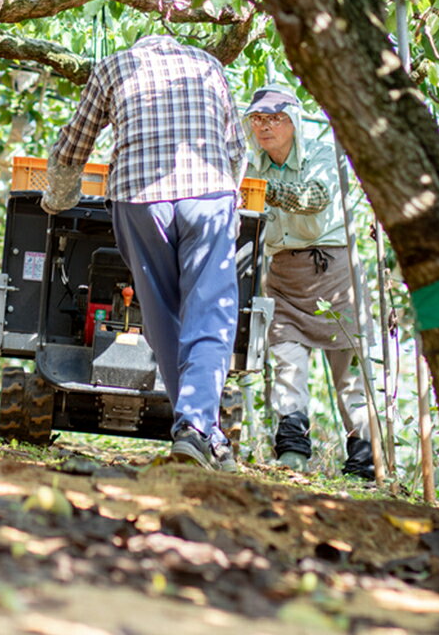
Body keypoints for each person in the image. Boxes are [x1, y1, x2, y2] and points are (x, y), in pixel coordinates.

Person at [42, 33, 247, 471]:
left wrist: (57, 199)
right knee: (210, 314)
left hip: (140, 199)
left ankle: (198, 430)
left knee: (162, 319)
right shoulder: (208, 64)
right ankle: (199, 429)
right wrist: (232, 202)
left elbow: (73, 146)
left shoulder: (115, 66)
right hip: (209, 194)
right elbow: (235, 150)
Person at [242, 85, 374, 480]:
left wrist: (262, 191)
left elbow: (314, 197)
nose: (265, 127)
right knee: (287, 364)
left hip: (334, 273)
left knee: (350, 372)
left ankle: (364, 462)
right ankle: (293, 453)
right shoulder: (250, 166)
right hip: (283, 275)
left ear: (294, 122)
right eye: (258, 119)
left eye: (275, 118)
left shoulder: (321, 154)